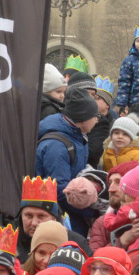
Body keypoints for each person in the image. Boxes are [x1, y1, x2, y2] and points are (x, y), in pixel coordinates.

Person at [35, 84, 98, 224]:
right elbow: (60, 191)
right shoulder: (56, 146)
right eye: (95, 116)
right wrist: (92, 211)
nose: (97, 120)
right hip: (59, 220)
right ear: (84, 117)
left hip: (72, 215)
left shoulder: (77, 136)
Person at [14, 175, 91, 262]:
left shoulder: (77, 244)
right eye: (29, 216)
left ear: (54, 219)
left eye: (41, 216)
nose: (34, 223)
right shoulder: (10, 242)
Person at [88, 161, 137, 252]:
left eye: (118, 182)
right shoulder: (102, 223)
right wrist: (121, 242)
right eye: (110, 183)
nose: (110, 189)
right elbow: (94, 261)